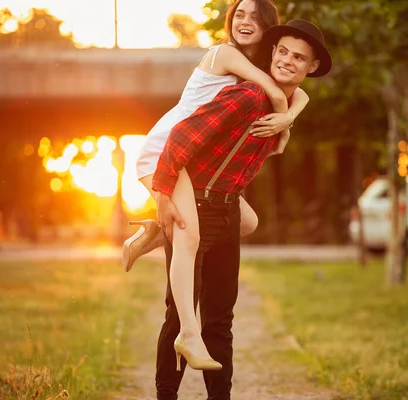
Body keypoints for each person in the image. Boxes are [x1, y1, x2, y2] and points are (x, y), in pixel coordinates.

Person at [122, 0, 310, 372]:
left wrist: (287, 116)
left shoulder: (255, 67)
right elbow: (281, 91)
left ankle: (154, 234)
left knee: (247, 221)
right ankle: (188, 334)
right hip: (165, 150)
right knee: (189, 235)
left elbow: (298, 93)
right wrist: (285, 122)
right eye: (239, 14)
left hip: (187, 155)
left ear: (267, 27)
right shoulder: (225, 54)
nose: (244, 21)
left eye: (255, 17)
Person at [152, 19, 332, 399]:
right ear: (271, 53)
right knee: (180, 318)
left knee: (220, 322)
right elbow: (181, 138)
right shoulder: (249, 96)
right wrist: (164, 196)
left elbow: (297, 99)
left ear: (311, 67)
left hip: (229, 210)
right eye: (282, 51)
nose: (287, 61)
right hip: (194, 207)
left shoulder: (284, 107)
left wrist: (289, 118)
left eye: (298, 57)